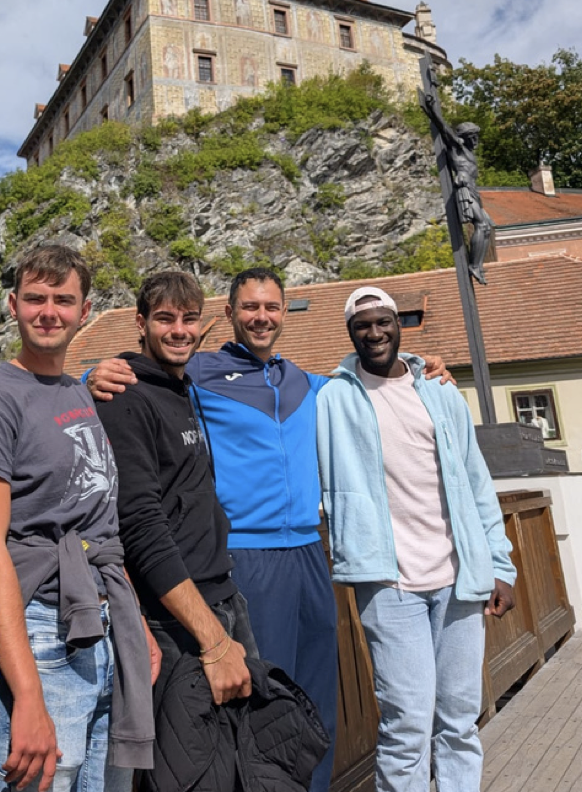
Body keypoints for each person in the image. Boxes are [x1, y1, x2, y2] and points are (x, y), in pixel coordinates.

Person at [88, 267, 451, 792]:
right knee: (264, 711)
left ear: (285, 312)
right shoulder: (199, 371)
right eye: (250, 307)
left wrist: (420, 363)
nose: (262, 316)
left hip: (308, 551)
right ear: (230, 315)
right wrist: (91, 375)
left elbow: (368, 380)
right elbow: (121, 385)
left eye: (272, 307)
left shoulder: (305, 380)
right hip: (246, 558)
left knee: (314, 706)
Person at [0, 246, 155, 792]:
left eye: (63, 300)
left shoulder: (76, 390)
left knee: (105, 781)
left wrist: (133, 620)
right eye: (35, 298)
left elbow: (100, 524)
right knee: (44, 778)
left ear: (84, 311)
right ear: (12, 305)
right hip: (43, 627)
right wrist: (25, 693)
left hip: (103, 620)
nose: (49, 311)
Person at [317, 286, 517, 792]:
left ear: (398, 324)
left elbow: (476, 482)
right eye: (363, 325)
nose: (375, 332)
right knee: (406, 723)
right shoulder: (332, 398)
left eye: (383, 321)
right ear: (350, 333)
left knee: (458, 718)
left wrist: (501, 565)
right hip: (387, 584)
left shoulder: (440, 390)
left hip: (459, 578)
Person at [93, 271, 257, 722]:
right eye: (165, 319)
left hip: (222, 594)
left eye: (189, 318)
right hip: (175, 618)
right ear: (140, 323)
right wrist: (212, 638)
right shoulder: (124, 396)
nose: (179, 330)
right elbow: (141, 525)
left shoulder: (184, 389)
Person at [424, 92, 493, 284]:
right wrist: (432, 109)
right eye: (473, 136)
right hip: (464, 190)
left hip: (474, 192)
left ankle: (477, 264)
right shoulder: (458, 148)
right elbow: (444, 129)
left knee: (487, 227)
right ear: (466, 137)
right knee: (481, 224)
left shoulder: (470, 154)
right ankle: (473, 266)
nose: (476, 140)